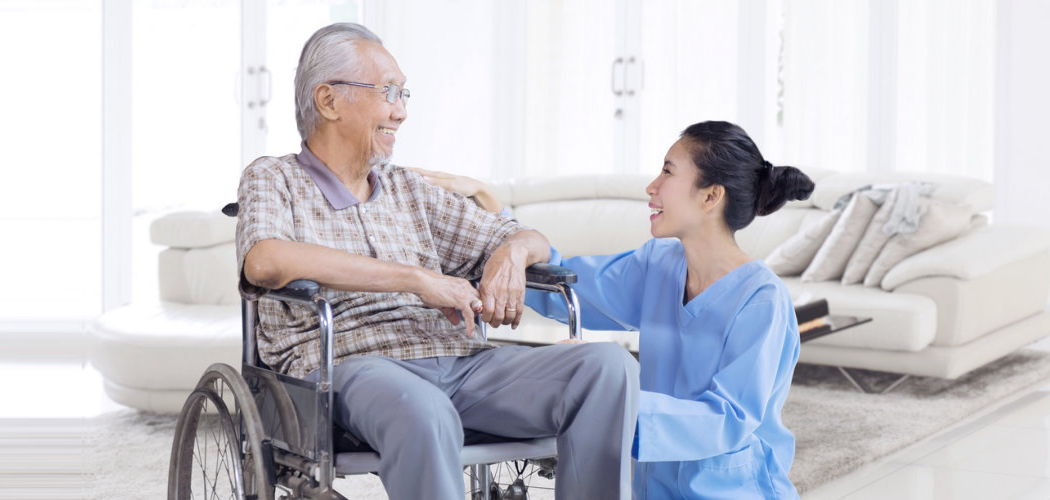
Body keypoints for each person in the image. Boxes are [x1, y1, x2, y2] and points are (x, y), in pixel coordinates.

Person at [234, 23, 637, 500]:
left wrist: (510, 253)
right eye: (388, 91)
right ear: (328, 101)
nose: (401, 112)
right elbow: (264, 260)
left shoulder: (410, 190)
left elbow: (531, 238)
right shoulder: (274, 177)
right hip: (349, 363)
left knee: (609, 368)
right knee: (423, 410)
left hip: (461, 362)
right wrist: (418, 280)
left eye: (403, 93)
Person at [518, 121, 814, 499]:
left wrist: (610, 392)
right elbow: (574, 291)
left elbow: (727, 418)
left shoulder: (762, 300)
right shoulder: (659, 263)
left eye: (668, 171)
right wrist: (504, 255)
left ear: (711, 197)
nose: (652, 187)